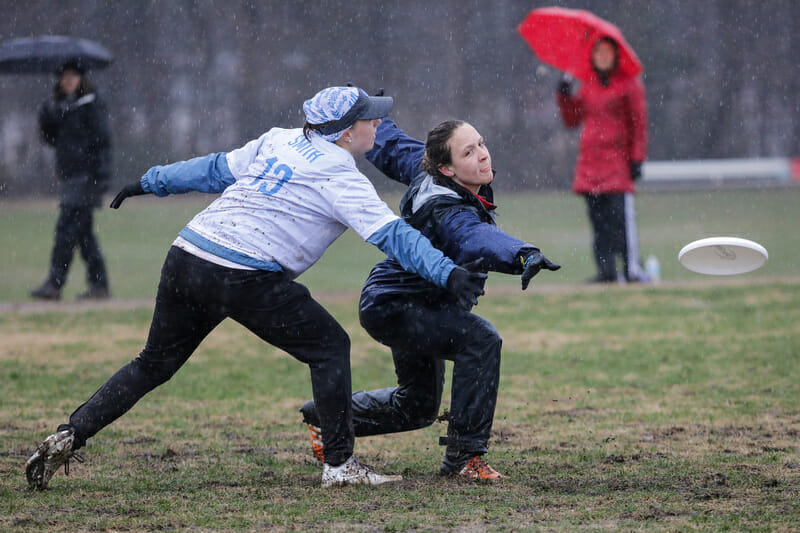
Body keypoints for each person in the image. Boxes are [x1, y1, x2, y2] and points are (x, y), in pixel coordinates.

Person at [24, 86, 488, 490]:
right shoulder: (340, 174)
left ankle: (70, 433)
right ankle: (341, 465)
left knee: (153, 364)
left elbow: (213, 169)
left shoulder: (279, 140)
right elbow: (394, 236)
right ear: (346, 133)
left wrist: (150, 180)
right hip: (244, 272)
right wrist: (448, 272)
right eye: (371, 117)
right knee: (329, 346)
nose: (378, 122)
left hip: (188, 254)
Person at [300, 117, 560, 480]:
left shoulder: (428, 170)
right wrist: (522, 254)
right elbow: (474, 237)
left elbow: (390, 145)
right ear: (447, 169)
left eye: (481, 144)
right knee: (481, 341)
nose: (483, 156)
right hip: (398, 307)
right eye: (469, 152)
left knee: (418, 408)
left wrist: (369, 115)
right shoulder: (446, 209)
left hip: (408, 304)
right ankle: (465, 458)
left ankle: (326, 419)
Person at [556, 36, 648, 284]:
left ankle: (632, 270)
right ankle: (606, 271)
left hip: (617, 164)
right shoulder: (588, 85)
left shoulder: (629, 84)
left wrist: (637, 159)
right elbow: (572, 120)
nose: (603, 56)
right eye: (599, 52)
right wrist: (564, 94)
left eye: (608, 52)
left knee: (621, 222)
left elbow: (638, 124)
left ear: (616, 55)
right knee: (599, 223)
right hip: (590, 165)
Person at [30, 60, 112, 300]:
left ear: (81, 79)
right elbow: (50, 139)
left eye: (72, 76)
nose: (67, 81)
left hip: (86, 180)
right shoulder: (61, 108)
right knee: (83, 235)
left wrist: (100, 180)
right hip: (69, 179)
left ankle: (54, 285)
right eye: (63, 76)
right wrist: (47, 114)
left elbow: (103, 144)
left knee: (66, 230)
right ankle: (99, 286)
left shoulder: (90, 106)